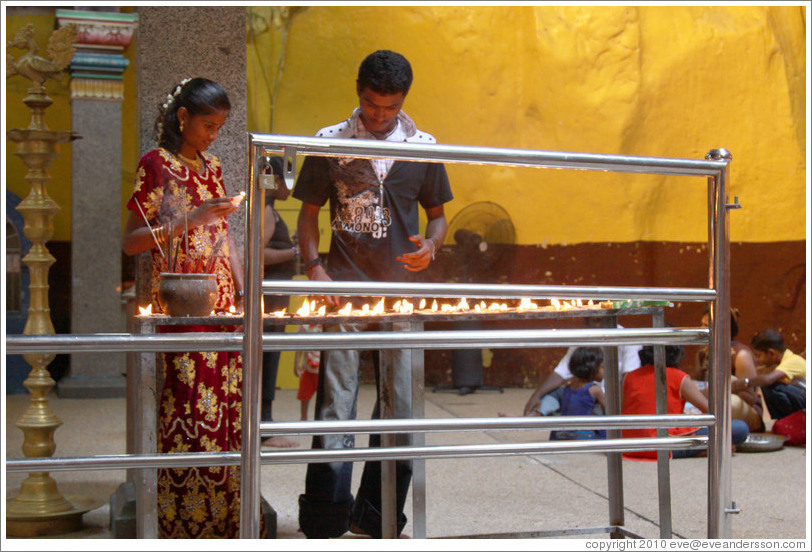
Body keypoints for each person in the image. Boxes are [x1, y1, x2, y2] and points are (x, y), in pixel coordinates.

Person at [293, 49, 453, 539]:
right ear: (358, 92)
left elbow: (438, 215)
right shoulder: (330, 142)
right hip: (343, 287)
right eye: (370, 104)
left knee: (401, 404)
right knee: (336, 403)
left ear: (404, 99)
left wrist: (431, 245)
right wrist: (314, 268)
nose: (379, 115)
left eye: (389, 106)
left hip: (402, 291)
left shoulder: (422, 145)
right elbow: (307, 214)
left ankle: (378, 517)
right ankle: (325, 518)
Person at [122, 77, 266, 537]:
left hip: (223, 302)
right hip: (184, 300)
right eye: (207, 125)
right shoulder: (157, 164)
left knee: (227, 409)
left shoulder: (213, 165)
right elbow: (131, 242)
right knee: (188, 406)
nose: (212, 136)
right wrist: (191, 219)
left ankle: (227, 518)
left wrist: (244, 292)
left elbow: (225, 236)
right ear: (182, 118)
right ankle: (182, 520)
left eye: (219, 128)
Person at [622, 343, 749, 460]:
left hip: (629, 445)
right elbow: (713, 414)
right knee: (739, 428)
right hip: (664, 445)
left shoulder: (629, 376)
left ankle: (702, 448)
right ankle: (702, 449)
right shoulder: (678, 376)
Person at [513, 317, 642, 417]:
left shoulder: (627, 339)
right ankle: (534, 415)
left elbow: (629, 379)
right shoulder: (584, 337)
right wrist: (537, 394)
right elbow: (562, 371)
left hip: (614, 398)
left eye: (603, 321)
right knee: (553, 394)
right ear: (587, 321)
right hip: (586, 394)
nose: (599, 325)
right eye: (595, 321)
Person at [260, 155, 299, 448]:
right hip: (270, 298)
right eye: (286, 176)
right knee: (268, 358)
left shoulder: (266, 209)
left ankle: (264, 421)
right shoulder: (266, 211)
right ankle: (264, 425)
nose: (291, 184)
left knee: (269, 357)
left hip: (273, 297)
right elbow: (258, 255)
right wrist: (295, 252)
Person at [696, 308, 765, 432]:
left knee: (730, 402)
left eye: (706, 325)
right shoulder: (703, 353)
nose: (701, 328)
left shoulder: (740, 355)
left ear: (722, 328)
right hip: (715, 405)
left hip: (744, 410)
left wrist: (729, 387)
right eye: (701, 324)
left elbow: (752, 398)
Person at [731, 328, 806, 421]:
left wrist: (745, 382)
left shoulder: (792, 361)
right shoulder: (779, 362)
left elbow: (767, 380)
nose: (757, 360)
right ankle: (782, 421)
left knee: (772, 386)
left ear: (771, 353)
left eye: (759, 355)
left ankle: (790, 420)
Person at [549, 347, 607, 441]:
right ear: (593, 368)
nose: (604, 372)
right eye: (603, 367)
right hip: (581, 435)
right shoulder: (594, 390)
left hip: (561, 433)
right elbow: (609, 411)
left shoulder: (568, 387)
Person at [293, 323, 323, 421]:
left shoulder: (330, 326)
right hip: (308, 368)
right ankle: (303, 417)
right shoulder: (306, 325)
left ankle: (322, 418)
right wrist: (296, 362)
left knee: (325, 398)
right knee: (304, 395)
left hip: (324, 370)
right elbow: (299, 344)